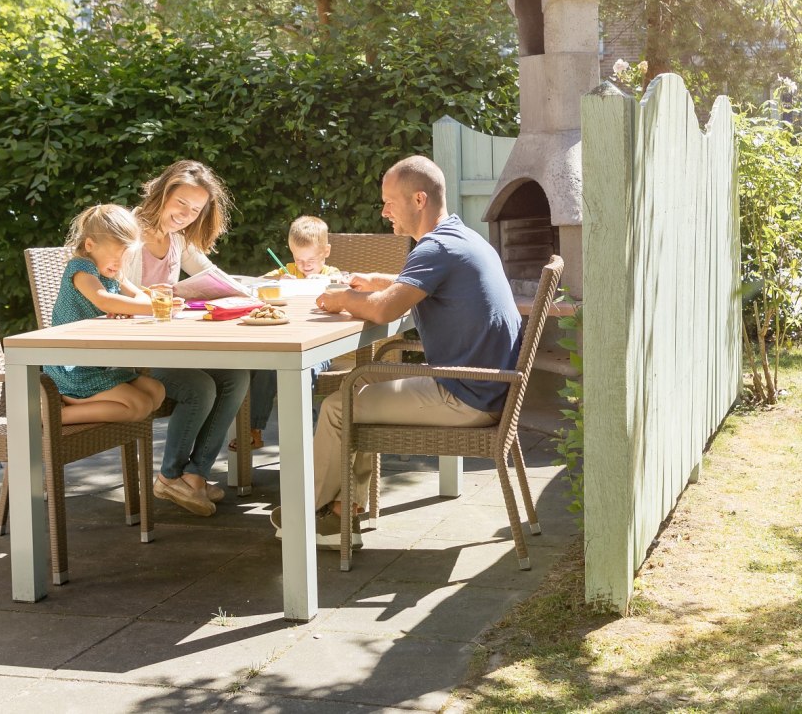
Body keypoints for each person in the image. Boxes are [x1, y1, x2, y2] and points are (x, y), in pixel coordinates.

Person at [270, 156, 522, 548]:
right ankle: (343, 508)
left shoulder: (434, 249)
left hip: (467, 396)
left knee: (339, 407)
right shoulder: (460, 237)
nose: (384, 210)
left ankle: (308, 515)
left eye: (390, 200)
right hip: (488, 384)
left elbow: (385, 309)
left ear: (419, 199)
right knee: (364, 380)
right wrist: (378, 280)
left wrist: (343, 298)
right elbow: (420, 286)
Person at [120, 160, 253, 518]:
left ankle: (195, 475)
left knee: (236, 375)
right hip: (127, 353)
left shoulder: (176, 238)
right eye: (182, 204)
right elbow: (112, 295)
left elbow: (209, 272)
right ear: (162, 192)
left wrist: (246, 293)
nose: (186, 215)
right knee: (200, 388)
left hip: (164, 346)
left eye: (196, 210)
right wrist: (150, 297)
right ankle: (168, 476)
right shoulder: (127, 234)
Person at [42, 205, 167, 425]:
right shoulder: (81, 269)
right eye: (115, 257)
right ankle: (54, 416)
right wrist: (146, 307)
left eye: (125, 257)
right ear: (90, 245)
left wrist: (128, 307)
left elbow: (142, 299)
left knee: (156, 392)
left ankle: (81, 406)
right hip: (70, 369)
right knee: (139, 405)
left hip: (94, 366)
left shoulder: (113, 273)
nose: (120, 265)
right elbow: (103, 299)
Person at [235, 216, 343, 452]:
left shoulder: (330, 273)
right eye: (298, 259)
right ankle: (253, 429)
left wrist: (326, 281)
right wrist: (280, 282)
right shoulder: (288, 271)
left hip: (320, 347)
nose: (304, 266)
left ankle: (307, 439)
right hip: (286, 343)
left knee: (303, 374)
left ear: (326, 252)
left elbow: (344, 282)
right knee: (266, 367)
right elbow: (256, 285)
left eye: (311, 260)